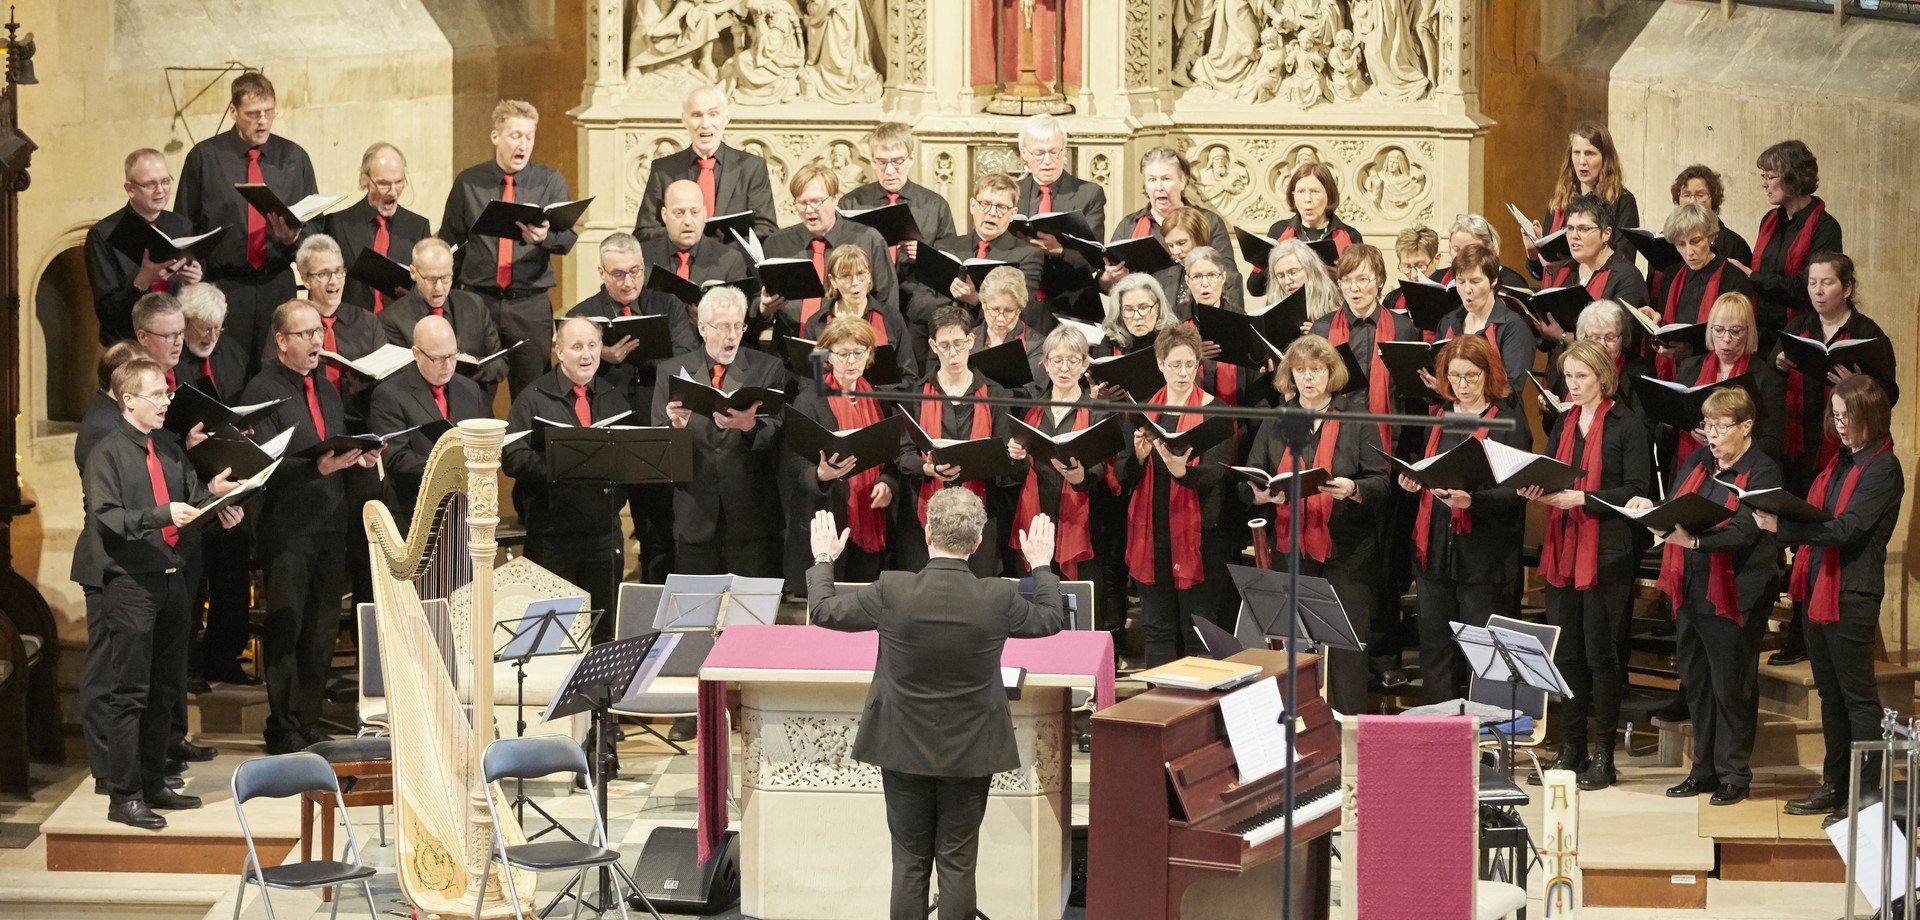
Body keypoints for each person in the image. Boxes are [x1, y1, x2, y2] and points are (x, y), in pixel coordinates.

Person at [805, 490, 1063, 920]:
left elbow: (824, 610)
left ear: (926, 533)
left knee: (909, 862)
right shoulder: (997, 598)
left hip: (901, 747)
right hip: (970, 750)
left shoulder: (893, 588)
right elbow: (1051, 618)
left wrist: (824, 559)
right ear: (978, 542)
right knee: (958, 864)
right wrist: (1040, 565)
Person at [81, 358, 244, 829]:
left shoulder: (169, 449)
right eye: (157, 394)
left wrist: (218, 508)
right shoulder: (107, 453)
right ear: (128, 399)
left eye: (167, 394)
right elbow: (107, 519)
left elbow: (190, 503)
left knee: (165, 689)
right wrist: (160, 515)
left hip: (173, 580)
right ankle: (123, 795)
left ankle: (154, 782)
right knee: (129, 692)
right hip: (131, 583)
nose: (166, 401)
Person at [1757, 376, 1903, 827]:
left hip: (1853, 593)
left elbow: (1847, 530)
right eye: (1835, 415)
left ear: (1871, 416)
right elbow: (1823, 517)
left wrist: (1782, 528)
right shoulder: (1841, 462)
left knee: (1858, 699)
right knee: (1831, 696)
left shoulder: (1883, 468)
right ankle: (1835, 785)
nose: (1840, 424)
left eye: (1848, 416)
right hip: (1820, 586)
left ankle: (1863, 795)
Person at [240, 300, 383, 754]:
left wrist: (360, 457)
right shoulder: (261, 391)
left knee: (322, 628)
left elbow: (332, 448)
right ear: (281, 341)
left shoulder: (325, 389)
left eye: (318, 332)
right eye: (305, 334)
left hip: (330, 525)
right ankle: (281, 726)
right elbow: (258, 467)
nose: (317, 341)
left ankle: (307, 717)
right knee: (288, 626)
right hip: (288, 530)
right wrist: (315, 471)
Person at [1631, 387, 1778, 807]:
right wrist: (1651, 507)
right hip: (1691, 586)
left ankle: (1735, 773)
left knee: (1731, 685)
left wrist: (1693, 541)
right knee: (1696, 680)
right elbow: (1680, 507)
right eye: (1707, 426)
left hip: (1736, 591)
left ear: (1746, 427)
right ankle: (1704, 769)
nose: (1711, 435)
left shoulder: (1763, 472)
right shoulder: (1699, 462)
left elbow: (1744, 531)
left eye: (1720, 426)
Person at [1520, 340, 1651, 791]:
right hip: (1563, 548)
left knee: (1601, 656)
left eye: (1581, 377)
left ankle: (1603, 754)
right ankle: (1571, 748)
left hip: (1607, 552)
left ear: (1602, 377)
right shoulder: (1566, 423)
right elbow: (1553, 471)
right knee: (1568, 655)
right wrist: (1534, 487)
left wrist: (1585, 498)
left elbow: (1638, 489)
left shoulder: (1628, 425)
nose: (1572, 385)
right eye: (1568, 377)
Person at [1245, 334, 1387, 713]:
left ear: (1331, 373)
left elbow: (1381, 481)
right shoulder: (1277, 420)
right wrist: (1260, 495)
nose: (1308, 378)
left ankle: (1346, 727)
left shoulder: (1357, 418)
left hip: (1347, 548)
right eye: (1301, 371)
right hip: (1292, 546)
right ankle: (1304, 723)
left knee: (1346, 644)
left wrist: (1354, 488)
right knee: (1293, 643)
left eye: (1317, 370)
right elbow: (1252, 477)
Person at [1404, 335, 1528, 704]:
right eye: (1454, 376)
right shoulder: (1440, 417)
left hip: (1484, 558)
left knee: (1483, 656)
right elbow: (1430, 470)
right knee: (1436, 649)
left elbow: (1517, 494)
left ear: (1487, 374)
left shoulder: (1508, 422)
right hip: (1435, 552)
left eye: (1471, 376)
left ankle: (1486, 741)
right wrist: (1413, 479)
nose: (1462, 385)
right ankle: (1440, 736)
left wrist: (1471, 502)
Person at [175, 73, 316, 371]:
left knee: (278, 369)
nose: (262, 121)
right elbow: (184, 225)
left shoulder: (294, 158)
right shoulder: (205, 157)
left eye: (269, 112)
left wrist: (293, 240)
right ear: (233, 112)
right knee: (227, 370)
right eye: (253, 114)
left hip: (276, 281)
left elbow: (315, 229)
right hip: (224, 284)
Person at [439, 99, 578, 399]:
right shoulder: (469, 182)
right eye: (515, 135)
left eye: (529, 136)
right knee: (470, 390)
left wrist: (544, 239)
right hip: (479, 302)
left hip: (529, 304)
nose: (523, 145)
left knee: (533, 394)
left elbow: (567, 239)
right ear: (495, 137)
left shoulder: (549, 181)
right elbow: (452, 243)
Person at [503, 317, 632, 622]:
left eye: (592, 345)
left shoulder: (613, 398)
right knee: (554, 630)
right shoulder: (532, 398)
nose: (587, 355)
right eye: (576, 347)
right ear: (558, 352)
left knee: (603, 626)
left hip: (603, 533)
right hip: (553, 536)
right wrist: (559, 464)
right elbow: (512, 457)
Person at [655, 287, 790, 576]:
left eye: (738, 326)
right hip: (696, 510)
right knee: (695, 614)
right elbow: (657, 445)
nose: (732, 335)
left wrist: (749, 426)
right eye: (723, 327)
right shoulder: (672, 370)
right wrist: (676, 427)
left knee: (750, 615)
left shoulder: (767, 368)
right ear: (703, 328)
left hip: (750, 513)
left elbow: (778, 433)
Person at [1120, 323, 1233, 667]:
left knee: (1197, 630)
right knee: (1157, 629)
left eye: (1189, 365)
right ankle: (1159, 713)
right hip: (1151, 535)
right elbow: (1122, 476)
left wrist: (1183, 471)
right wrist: (1139, 456)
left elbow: (1216, 474)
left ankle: (1195, 716)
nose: (1183, 373)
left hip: (1199, 537)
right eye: (1174, 365)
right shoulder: (1142, 412)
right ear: (1160, 365)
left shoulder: (1216, 411)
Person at [175, 284, 255, 688]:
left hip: (230, 479)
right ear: (184, 323)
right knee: (193, 578)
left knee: (231, 574)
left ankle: (224, 657)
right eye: (202, 328)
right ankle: (189, 665)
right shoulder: (175, 366)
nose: (209, 337)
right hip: (189, 484)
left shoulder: (233, 355)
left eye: (216, 329)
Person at [785, 317, 907, 582]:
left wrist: (887, 483)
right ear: (828, 356)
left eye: (859, 352)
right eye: (843, 354)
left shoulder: (880, 400)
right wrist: (819, 475)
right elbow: (791, 464)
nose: (852, 361)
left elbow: (892, 457)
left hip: (871, 514)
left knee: (863, 600)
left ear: (869, 355)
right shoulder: (809, 400)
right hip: (827, 518)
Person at [894, 305, 1014, 576]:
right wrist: (927, 468)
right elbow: (903, 454)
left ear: (971, 341)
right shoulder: (916, 394)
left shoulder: (996, 394)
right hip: (924, 515)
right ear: (933, 346)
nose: (952, 353)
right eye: (944, 346)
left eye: (958, 344)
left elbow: (1006, 459)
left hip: (982, 514)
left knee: (979, 594)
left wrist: (1013, 456)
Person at [1007, 323, 1114, 589]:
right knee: (1036, 604)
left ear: (1084, 364)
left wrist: (1081, 477)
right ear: (1045, 363)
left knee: (1083, 606)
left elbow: (1104, 467)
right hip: (1037, 518)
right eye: (1057, 360)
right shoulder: (1031, 413)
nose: (1064, 368)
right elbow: (1017, 475)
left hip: (1083, 525)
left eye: (1072, 360)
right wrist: (1016, 457)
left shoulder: (1099, 412)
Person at [843, 122, 957, 357]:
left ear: (911, 158)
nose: (890, 170)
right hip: (864, 305)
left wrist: (923, 255)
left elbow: (951, 267)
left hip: (918, 309)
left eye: (897, 161)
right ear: (872, 160)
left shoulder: (934, 205)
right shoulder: (852, 203)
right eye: (881, 162)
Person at [367, 315, 490, 529]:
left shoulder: (470, 389)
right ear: (416, 354)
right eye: (438, 358)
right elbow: (397, 459)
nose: (448, 366)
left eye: (453, 356)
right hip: (414, 510)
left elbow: (485, 439)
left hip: (464, 510)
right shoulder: (389, 394)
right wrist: (448, 468)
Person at [762, 162, 898, 339]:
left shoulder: (868, 239)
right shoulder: (777, 243)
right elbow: (759, 305)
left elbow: (888, 305)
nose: (809, 210)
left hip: (851, 352)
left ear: (835, 198)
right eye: (802, 203)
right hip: (789, 351)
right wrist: (764, 309)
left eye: (816, 202)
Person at [86, 148, 204, 344]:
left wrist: (195, 280)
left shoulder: (182, 225)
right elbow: (107, 312)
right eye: (150, 184)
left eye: (165, 181)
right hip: (130, 343)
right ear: (130, 188)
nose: (160, 190)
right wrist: (141, 282)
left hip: (178, 341)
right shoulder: (104, 234)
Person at [634, 85, 779, 243]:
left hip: (733, 263)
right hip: (678, 264)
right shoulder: (663, 170)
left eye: (713, 114)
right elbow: (644, 233)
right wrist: (683, 237)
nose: (705, 124)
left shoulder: (752, 167)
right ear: (684, 119)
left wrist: (725, 249)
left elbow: (767, 230)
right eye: (697, 115)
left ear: (726, 118)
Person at [1106, 147, 1243, 303]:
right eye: (1152, 180)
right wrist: (1110, 278)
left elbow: (1229, 278)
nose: (1159, 187)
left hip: (1196, 317)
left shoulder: (1208, 221)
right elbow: (1106, 285)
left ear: (1182, 181)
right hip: (1142, 318)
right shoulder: (1129, 226)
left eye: (1166, 179)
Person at [380, 238, 507, 404]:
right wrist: (450, 368)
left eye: (446, 277)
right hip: (423, 409)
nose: (439, 287)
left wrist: (475, 366)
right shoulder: (392, 319)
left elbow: (501, 365)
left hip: (474, 408)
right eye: (431, 279)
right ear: (413, 273)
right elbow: (398, 379)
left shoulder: (474, 305)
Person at [638, 179, 749, 357]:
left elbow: (743, 325)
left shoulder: (731, 260)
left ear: (705, 213)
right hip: (654, 361)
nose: (688, 221)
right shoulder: (643, 256)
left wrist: (710, 324)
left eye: (695, 212)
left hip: (710, 359)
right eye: (679, 213)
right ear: (664, 214)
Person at [319, 142, 431, 314]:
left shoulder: (418, 226)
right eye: (384, 184)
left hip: (400, 327)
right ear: (365, 180)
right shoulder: (337, 224)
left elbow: (426, 285)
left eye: (399, 182)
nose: (393, 192)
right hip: (353, 328)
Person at [1014, 113, 1107, 320]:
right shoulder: (1013, 193)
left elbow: (1095, 259)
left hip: (1073, 305)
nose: (1048, 161)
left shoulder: (1088, 194)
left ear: (1064, 150)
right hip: (1022, 306)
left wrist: (1059, 250)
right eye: (1039, 153)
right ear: (1024, 153)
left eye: (1054, 152)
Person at [1674, 293, 1785, 466]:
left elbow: (1773, 446)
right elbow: (1668, 442)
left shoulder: (1765, 378)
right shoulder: (1689, 368)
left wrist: (1728, 444)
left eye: (1735, 331)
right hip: (1689, 467)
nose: (1726, 339)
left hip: (1741, 473)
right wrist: (1668, 422)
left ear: (1749, 331)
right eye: (1718, 330)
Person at [1749, 140, 1841, 346]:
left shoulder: (1826, 227)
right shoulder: (1769, 220)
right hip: (1762, 334)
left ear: (1794, 178)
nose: (1764, 184)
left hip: (1801, 335)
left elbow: (1805, 289)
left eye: (1770, 177)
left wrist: (1752, 277)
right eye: (1763, 176)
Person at [1648, 203, 1753, 376]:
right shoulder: (1670, 275)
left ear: (1711, 237)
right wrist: (1654, 319)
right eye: (1680, 244)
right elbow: (1667, 325)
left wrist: (1690, 350)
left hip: (1717, 372)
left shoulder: (1735, 279)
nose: (1689, 252)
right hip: (1673, 370)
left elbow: (1737, 337)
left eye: (1695, 241)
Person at [1526, 121, 1640, 279]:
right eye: (1576, 153)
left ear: (1605, 158)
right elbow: (1543, 273)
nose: (1581, 161)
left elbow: (1624, 263)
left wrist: (1567, 263)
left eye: (1589, 153)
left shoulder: (1622, 202)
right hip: (1558, 293)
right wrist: (1534, 255)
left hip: (1599, 293)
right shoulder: (1560, 201)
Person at [1537, 194, 1651, 350]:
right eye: (1570, 228)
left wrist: (1564, 337)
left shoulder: (1627, 278)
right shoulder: (1567, 270)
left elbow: (1619, 341)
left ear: (1606, 234)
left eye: (1583, 229)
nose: (1574, 236)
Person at [933, 172, 1045, 326]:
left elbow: (1022, 313)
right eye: (985, 204)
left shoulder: (1028, 255)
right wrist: (955, 298)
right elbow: (917, 307)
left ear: (1012, 214)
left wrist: (974, 300)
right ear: (973, 206)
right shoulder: (945, 247)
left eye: (1001, 207)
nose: (992, 213)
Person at [296, 235, 383, 427]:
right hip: (308, 426)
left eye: (338, 272)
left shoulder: (368, 322)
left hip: (360, 426)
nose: (334, 281)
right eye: (324, 274)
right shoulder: (291, 323)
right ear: (305, 279)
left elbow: (387, 387)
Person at [1247, 160, 1363, 298]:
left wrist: (1339, 275)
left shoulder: (1350, 235)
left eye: (1315, 192)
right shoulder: (1280, 231)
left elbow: (1360, 288)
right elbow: (1254, 289)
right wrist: (1276, 263)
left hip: (1333, 312)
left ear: (1329, 195)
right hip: (1290, 313)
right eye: (1301, 192)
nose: (1307, 199)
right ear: (1293, 195)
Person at [801, 244, 916, 379]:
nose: (855, 282)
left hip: (881, 398)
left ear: (869, 276)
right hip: (832, 397)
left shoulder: (891, 318)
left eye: (860, 274)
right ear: (833, 281)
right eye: (846, 276)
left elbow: (909, 376)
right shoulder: (816, 323)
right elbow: (808, 380)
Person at [1435, 244, 1537, 395]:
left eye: (1475, 281)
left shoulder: (1513, 327)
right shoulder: (1449, 322)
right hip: (1453, 414)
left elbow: (1512, 389)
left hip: (1497, 415)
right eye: (1461, 282)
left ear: (1493, 280)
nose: (1467, 289)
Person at [967, 267, 1044, 384]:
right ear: (983, 304)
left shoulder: (1037, 345)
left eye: (1008, 311)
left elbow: (1031, 392)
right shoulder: (966, 340)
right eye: (994, 309)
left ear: (1019, 309)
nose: (1000, 318)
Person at [176, 283, 249, 404]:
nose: (213, 337)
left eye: (217, 329)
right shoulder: (171, 357)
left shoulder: (233, 352)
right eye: (206, 329)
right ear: (185, 321)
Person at [1669, 164, 1753, 268]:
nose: (1692, 201)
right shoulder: (1667, 241)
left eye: (1700, 195)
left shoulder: (1735, 244)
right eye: (1686, 195)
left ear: (1714, 198)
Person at [1432, 213, 1532, 291]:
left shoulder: (1512, 284)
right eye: (1456, 249)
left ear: (1488, 249)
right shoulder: (1436, 280)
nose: (1461, 256)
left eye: (1468, 249)